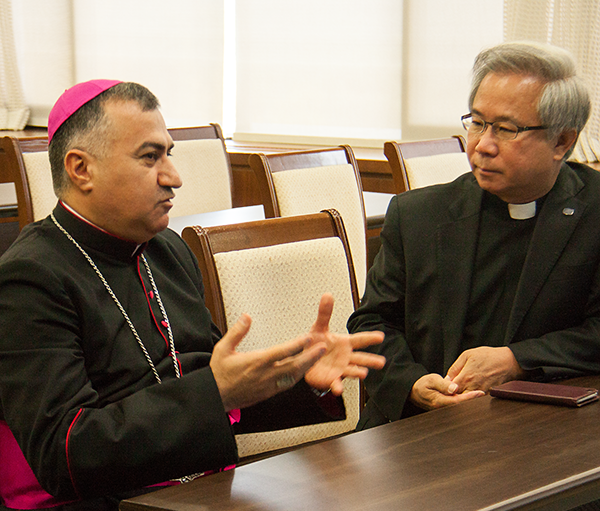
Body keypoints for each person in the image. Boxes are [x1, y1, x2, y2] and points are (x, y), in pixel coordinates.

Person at [0, 80, 385, 510]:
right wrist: (217, 391)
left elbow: (219, 393)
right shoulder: (29, 278)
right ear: (81, 168)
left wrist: (297, 380)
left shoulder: (166, 251)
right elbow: (65, 454)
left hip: (200, 493)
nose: (174, 177)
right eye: (150, 157)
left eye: (169, 154)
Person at [348, 41, 600, 429]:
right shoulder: (418, 215)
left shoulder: (594, 212)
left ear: (562, 141)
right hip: (415, 428)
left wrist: (517, 359)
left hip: (542, 427)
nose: (483, 145)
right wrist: (413, 383)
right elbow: (372, 324)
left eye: (506, 129)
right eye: (478, 122)